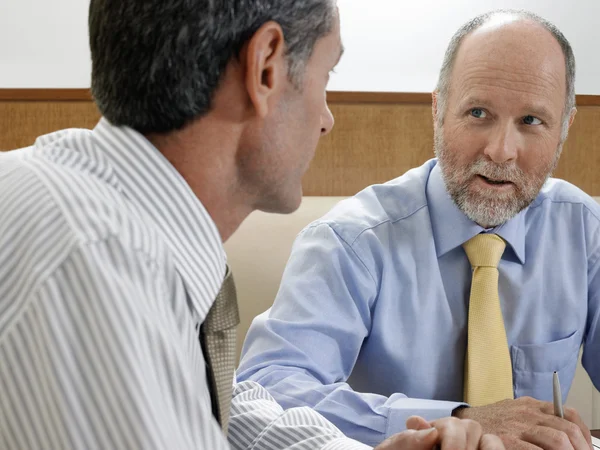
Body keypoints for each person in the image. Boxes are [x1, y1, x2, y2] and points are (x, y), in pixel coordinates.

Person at [0, 0, 505, 449]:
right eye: (326, 77)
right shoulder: (96, 262)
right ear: (265, 66)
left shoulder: (105, 212)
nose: (326, 119)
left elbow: (220, 404)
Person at [237, 8, 600, 450]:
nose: (502, 150)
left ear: (563, 129)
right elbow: (268, 391)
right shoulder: (351, 240)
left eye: (531, 121)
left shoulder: (585, 230)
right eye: (479, 112)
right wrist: (457, 420)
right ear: (439, 111)